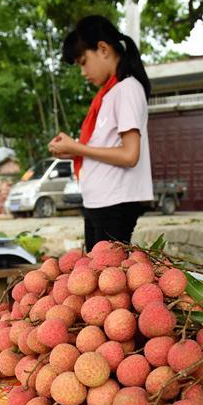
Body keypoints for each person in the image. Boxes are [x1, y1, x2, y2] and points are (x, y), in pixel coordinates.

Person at [47, 15, 153, 250]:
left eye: (84, 62)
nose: (83, 72)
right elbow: (105, 147)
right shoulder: (110, 94)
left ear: (103, 49)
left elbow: (129, 155)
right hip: (100, 201)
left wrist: (76, 147)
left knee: (107, 282)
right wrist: (73, 151)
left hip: (115, 203)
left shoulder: (127, 89)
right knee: (94, 278)